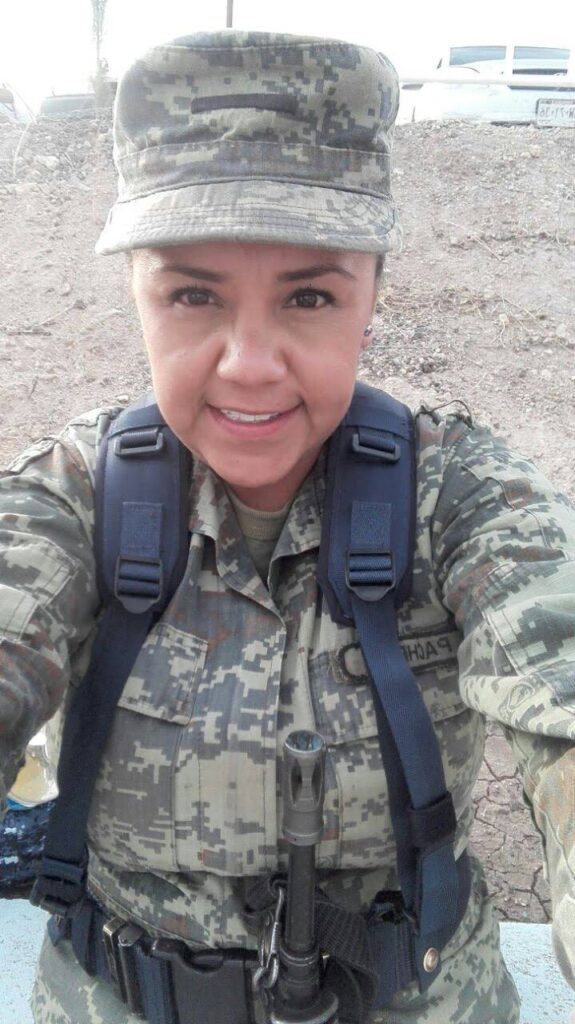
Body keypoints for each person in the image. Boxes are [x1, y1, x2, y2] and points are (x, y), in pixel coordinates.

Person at [0, 29, 573, 1024]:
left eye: (309, 295)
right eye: (193, 294)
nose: (249, 364)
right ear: (138, 296)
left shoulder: (460, 496)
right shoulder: (78, 495)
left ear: (371, 298)